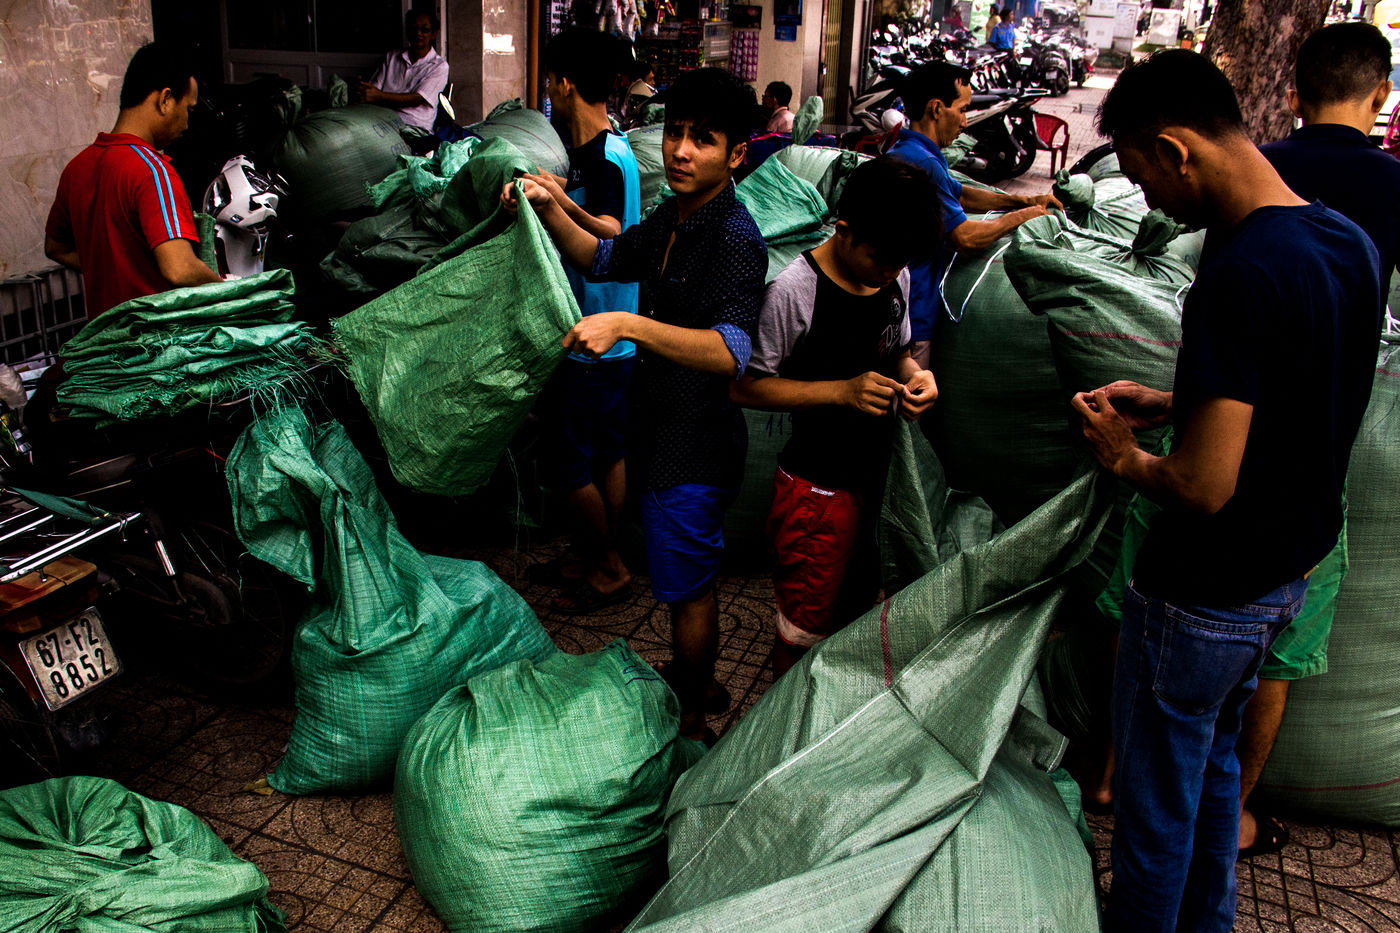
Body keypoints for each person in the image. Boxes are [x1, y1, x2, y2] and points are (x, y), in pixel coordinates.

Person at [1075, 50, 1383, 932]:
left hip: (1202, 595)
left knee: (1153, 815)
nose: (1152, 204)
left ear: (1178, 150)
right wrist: (1177, 400)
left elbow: (1202, 485)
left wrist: (1124, 455)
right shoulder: (1345, 241)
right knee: (1212, 771)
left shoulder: (1239, 269)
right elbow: (1301, 389)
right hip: (1283, 579)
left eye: (1144, 177)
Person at [502, 67, 767, 741]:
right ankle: (696, 677)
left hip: (695, 446)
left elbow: (732, 350)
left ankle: (693, 718)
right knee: (680, 582)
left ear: (737, 153)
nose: (680, 151)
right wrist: (547, 203)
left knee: (688, 592)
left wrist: (626, 325)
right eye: (675, 133)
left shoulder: (734, 237)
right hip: (659, 430)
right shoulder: (673, 217)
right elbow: (601, 257)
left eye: (703, 139)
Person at [731, 158, 942, 677]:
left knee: (855, 605)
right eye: (882, 259)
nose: (891, 272)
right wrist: (840, 392)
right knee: (803, 626)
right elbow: (746, 386)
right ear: (844, 232)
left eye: (900, 262)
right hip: (815, 490)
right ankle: (785, 712)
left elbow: (898, 351)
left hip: (874, 480)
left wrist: (918, 376)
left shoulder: (896, 274)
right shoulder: (794, 291)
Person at [520, 29, 642, 614]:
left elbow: (611, 229)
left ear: (565, 83)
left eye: (550, 81)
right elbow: (597, 198)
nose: (548, 91)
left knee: (570, 466)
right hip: (617, 334)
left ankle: (608, 566)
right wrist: (559, 187)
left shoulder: (603, 153)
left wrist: (557, 203)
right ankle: (593, 555)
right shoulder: (610, 146)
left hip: (593, 336)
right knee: (607, 454)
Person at [885, 61, 1061, 368]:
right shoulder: (922, 163)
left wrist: (1021, 200)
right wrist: (1024, 216)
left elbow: (960, 194)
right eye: (963, 110)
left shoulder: (910, 150)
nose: (965, 122)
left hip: (903, 310)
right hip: (911, 317)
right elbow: (965, 237)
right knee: (910, 392)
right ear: (936, 108)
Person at [45, 41, 220, 320]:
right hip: (155, 338)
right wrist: (232, 292)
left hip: (104, 336)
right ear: (165, 100)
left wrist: (115, 270)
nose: (187, 124)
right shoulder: (152, 171)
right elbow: (180, 268)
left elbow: (56, 248)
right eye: (188, 109)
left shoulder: (76, 168)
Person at [352, 9, 450, 131]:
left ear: (434, 34)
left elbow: (417, 98)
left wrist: (378, 96)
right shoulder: (392, 57)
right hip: (382, 119)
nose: (418, 33)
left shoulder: (439, 66)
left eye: (424, 30)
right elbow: (374, 90)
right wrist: (364, 90)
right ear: (408, 31)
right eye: (414, 29)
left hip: (412, 126)